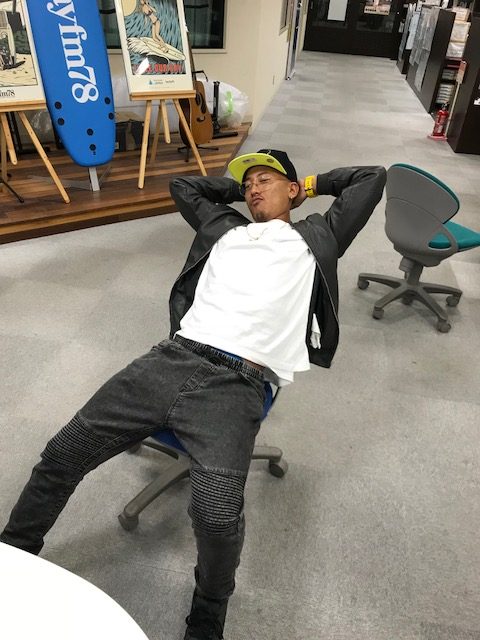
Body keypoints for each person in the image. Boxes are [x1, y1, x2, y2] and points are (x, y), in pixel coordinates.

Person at [0, 149, 386, 640]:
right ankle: (13, 555)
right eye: (248, 183)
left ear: (293, 190)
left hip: (238, 383)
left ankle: (207, 614)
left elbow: (371, 176)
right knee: (61, 455)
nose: (253, 188)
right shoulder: (224, 227)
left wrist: (306, 185)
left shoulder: (317, 235)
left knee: (216, 517)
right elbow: (184, 187)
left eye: (265, 180)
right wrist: (238, 189)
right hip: (171, 359)